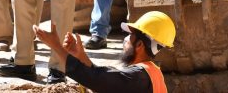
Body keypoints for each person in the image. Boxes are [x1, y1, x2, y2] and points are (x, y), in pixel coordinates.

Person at [34, 11, 176, 93]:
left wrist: (56, 46)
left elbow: (99, 80)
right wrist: (81, 56)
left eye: (130, 35)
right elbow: (106, 76)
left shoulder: (137, 77)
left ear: (139, 44)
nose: (125, 39)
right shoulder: (150, 73)